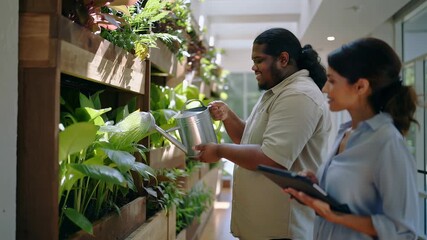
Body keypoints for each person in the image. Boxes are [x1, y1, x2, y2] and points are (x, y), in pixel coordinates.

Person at [194, 28, 332, 239]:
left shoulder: (298, 95)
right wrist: (228, 116)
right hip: (263, 227)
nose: (253, 67)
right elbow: (247, 140)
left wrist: (220, 150)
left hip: (281, 230)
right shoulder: (277, 91)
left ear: (283, 59)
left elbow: (271, 159)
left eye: (259, 60)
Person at [284, 37, 420, 239]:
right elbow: (348, 196)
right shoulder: (346, 132)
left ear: (361, 87)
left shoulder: (387, 142)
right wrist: (315, 187)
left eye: (332, 81)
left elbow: (403, 230)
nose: (325, 89)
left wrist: (336, 216)